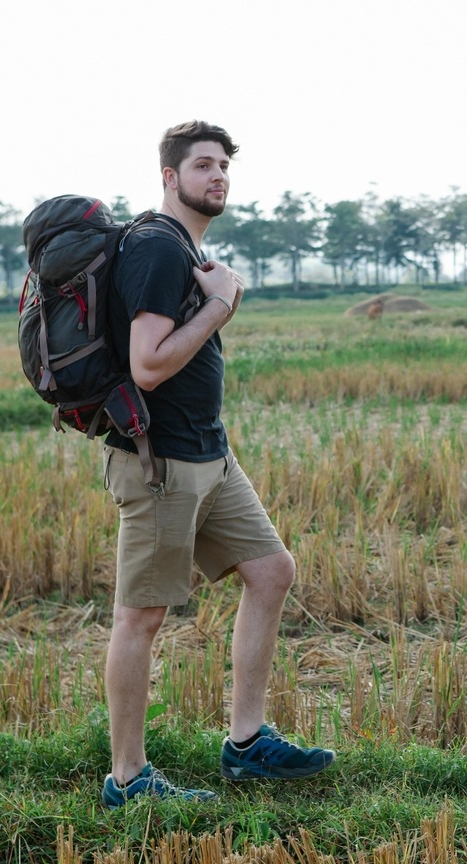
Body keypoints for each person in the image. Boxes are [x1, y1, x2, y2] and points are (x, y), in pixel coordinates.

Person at [100, 121, 335, 807]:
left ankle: (247, 743)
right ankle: (128, 780)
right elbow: (147, 366)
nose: (218, 176)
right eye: (203, 165)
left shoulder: (185, 251)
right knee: (141, 618)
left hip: (209, 452)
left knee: (271, 571)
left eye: (224, 165)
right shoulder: (156, 249)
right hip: (159, 460)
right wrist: (223, 303)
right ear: (170, 177)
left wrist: (216, 297)